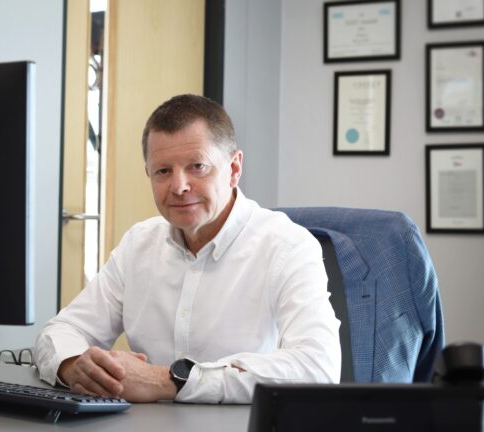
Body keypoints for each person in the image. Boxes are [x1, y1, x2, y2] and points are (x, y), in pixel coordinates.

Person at [35, 94, 340, 404]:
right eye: (163, 171)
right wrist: (73, 366)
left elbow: (318, 366)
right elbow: (62, 330)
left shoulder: (288, 246)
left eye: (197, 166)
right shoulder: (138, 245)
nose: (179, 186)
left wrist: (173, 381)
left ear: (234, 169)